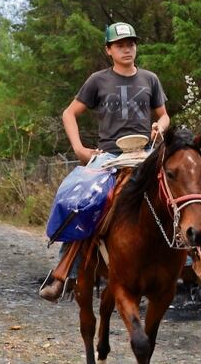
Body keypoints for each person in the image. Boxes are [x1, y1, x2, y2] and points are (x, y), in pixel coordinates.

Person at [39, 21, 170, 301]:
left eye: (131, 44)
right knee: (81, 201)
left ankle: (194, 261)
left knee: (175, 191)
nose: (127, 49)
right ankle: (64, 273)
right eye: (121, 45)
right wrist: (80, 150)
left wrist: (160, 126)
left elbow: (163, 115)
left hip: (145, 153)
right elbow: (69, 113)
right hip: (109, 156)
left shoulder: (150, 79)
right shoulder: (97, 80)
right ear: (108, 50)